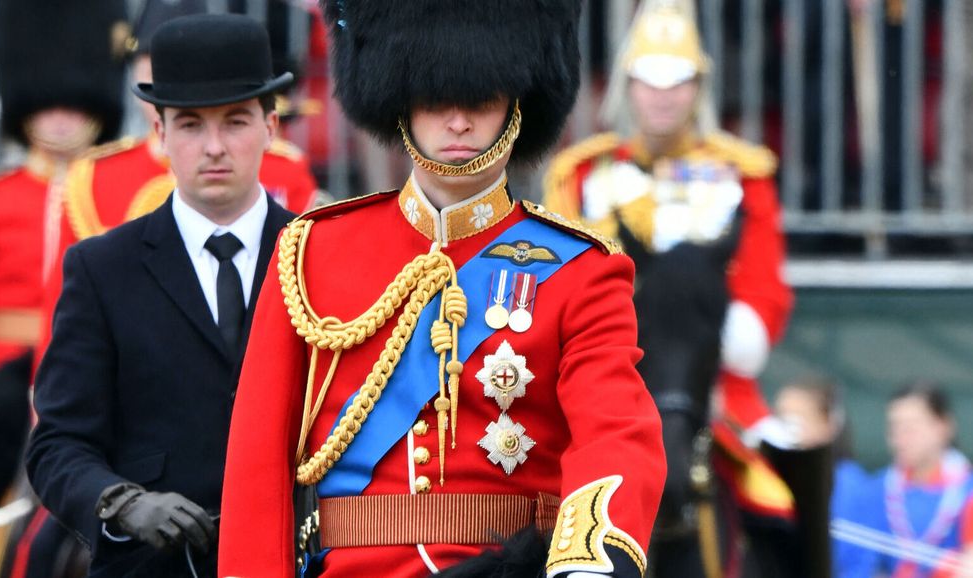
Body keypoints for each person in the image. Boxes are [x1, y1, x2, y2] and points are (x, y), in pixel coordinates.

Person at [218, 1, 666, 577]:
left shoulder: (581, 268)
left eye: (479, 99)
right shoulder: (311, 251)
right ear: (401, 99)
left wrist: (588, 564)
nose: (458, 122)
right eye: (435, 98)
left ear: (515, 102)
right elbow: (257, 467)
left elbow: (615, 431)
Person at [25, 14, 296, 576]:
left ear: (272, 127)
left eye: (237, 121)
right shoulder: (102, 269)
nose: (215, 147)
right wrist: (121, 503)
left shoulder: (319, 256)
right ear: (160, 134)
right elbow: (57, 444)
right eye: (192, 125)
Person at [543, 0, 793, 451]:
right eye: (649, 81)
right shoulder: (580, 174)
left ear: (698, 87)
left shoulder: (742, 174)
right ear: (628, 84)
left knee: (784, 493)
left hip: (717, 390)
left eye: (677, 82)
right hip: (606, 381)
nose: (663, 96)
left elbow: (762, 289)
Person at [0, 0, 126, 572]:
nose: (61, 118)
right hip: (0, 380)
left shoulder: (128, 192)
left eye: (75, 102)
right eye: (47, 103)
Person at [856, 382, 973, 578]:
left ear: (943, 427)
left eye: (911, 428)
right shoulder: (877, 489)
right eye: (894, 428)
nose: (900, 439)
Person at [774, 376, 872, 577]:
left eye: (794, 420)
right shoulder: (769, 480)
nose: (783, 430)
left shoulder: (850, 486)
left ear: (829, 425)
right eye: (779, 419)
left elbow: (857, 565)